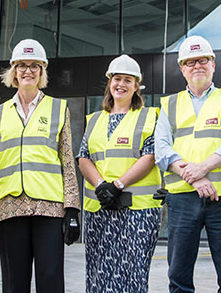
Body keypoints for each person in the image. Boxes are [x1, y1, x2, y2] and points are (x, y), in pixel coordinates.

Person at [0, 39, 81, 293]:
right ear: (13, 71)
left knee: (50, 280)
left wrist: (72, 209)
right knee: (14, 284)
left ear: (42, 71)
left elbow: (67, 159)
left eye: (34, 65)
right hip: (9, 208)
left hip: (49, 208)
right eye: (22, 65)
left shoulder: (58, 108)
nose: (28, 71)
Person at [155, 35, 221, 293]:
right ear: (182, 68)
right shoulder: (169, 104)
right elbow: (161, 149)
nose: (197, 66)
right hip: (183, 198)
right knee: (179, 277)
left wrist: (203, 167)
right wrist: (195, 177)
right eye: (190, 62)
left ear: (213, 64)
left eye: (203, 60)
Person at [77, 55, 161, 293]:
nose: (121, 84)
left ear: (136, 86)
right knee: (98, 272)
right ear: (109, 83)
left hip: (138, 212)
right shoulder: (94, 120)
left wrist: (118, 185)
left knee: (133, 274)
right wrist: (102, 185)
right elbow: (84, 157)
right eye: (116, 79)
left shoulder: (149, 116)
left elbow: (150, 155)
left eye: (127, 80)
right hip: (101, 209)